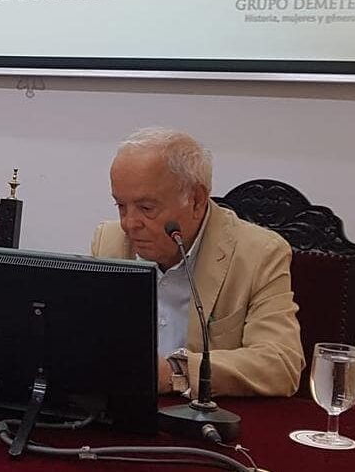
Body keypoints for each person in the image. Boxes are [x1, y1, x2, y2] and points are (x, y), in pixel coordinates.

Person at [91, 127, 304, 397]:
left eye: (146, 208)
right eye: (121, 206)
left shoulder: (259, 254)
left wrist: (175, 373)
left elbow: (280, 364)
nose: (129, 224)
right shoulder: (109, 242)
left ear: (196, 200)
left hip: (202, 417)